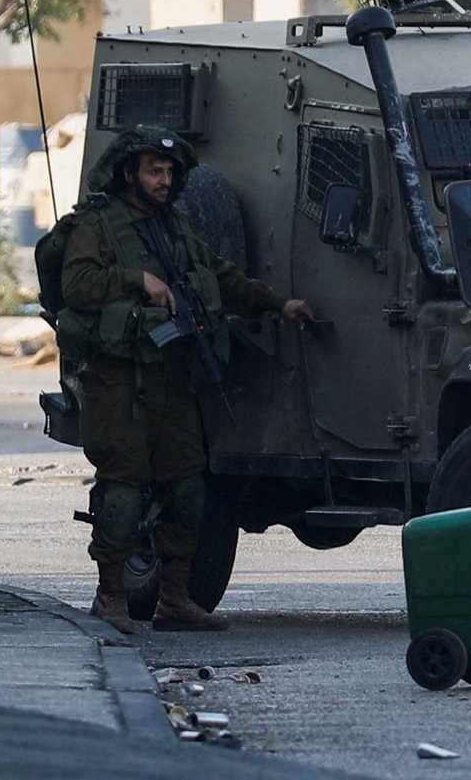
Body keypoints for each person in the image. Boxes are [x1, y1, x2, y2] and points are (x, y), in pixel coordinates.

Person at [56, 126, 314, 633]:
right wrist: (136, 280)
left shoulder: (175, 226)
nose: (165, 180)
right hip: (119, 381)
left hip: (174, 379)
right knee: (124, 489)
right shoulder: (97, 225)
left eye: (171, 171)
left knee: (188, 489)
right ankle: (111, 598)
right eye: (155, 170)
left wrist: (276, 303)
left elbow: (217, 274)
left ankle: (175, 599)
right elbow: (77, 285)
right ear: (130, 172)